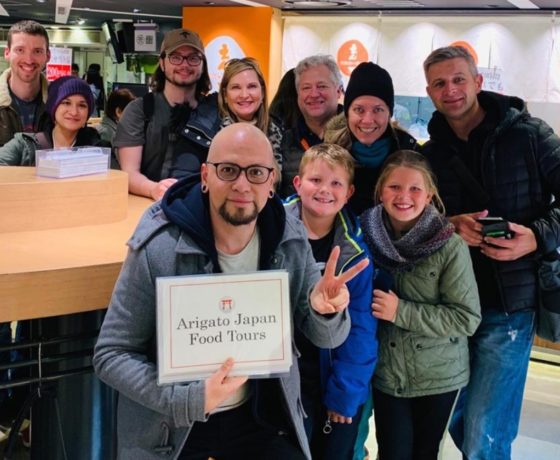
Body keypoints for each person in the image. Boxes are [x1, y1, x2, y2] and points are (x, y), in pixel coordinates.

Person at [93, 123, 368, 459]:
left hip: (259, 416)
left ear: (271, 183)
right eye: (227, 170)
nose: (242, 184)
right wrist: (187, 400)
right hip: (173, 425)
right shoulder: (159, 245)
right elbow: (111, 354)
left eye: (256, 173)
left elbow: (327, 337)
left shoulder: (289, 238)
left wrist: (326, 312)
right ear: (205, 176)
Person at [421, 45, 560, 460]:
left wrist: (537, 236)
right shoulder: (430, 154)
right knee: (458, 419)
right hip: (451, 306)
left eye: (459, 79)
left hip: (509, 306)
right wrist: (448, 225)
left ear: (478, 82)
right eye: (439, 83)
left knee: (486, 433)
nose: (450, 90)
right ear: (428, 91)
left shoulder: (529, 134)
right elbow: (414, 220)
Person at [360, 149, 481, 460]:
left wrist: (400, 312)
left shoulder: (449, 245)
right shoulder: (363, 236)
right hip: (388, 375)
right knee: (393, 452)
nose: (404, 196)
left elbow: (466, 318)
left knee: (424, 453)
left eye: (415, 188)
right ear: (381, 191)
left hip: (437, 377)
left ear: (429, 195)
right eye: (394, 187)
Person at [284, 143, 377, 460]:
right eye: (315, 180)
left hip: (330, 380)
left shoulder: (357, 254)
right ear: (298, 184)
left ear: (349, 193)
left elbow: (361, 331)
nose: (325, 190)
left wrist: (345, 394)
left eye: (336, 183)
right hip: (282, 380)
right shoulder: (268, 231)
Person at [113, 28, 219, 201]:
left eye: (193, 58)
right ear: (162, 63)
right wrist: (153, 189)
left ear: (202, 64)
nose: (184, 65)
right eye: (175, 57)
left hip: (201, 206)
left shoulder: (214, 111)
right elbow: (129, 173)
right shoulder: (139, 110)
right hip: (150, 206)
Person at [324, 62, 418, 216]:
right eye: (359, 110)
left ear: (389, 113)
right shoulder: (328, 155)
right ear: (347, 113)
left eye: (378, 109)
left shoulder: (411, 154)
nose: (367, 120)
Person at [0, 76, 104, 165]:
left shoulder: (99, 149)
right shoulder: (24, 145)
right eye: (66, 103)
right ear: (53, 107)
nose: (74, 112)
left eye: (82, 105)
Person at [279, 55, 343, 198]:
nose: (313, 94)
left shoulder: (355, 137)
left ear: (338, 91)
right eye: (306, 88)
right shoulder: (284, 141)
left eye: (321, 86)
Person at [218, 57, 283, 170]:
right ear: (225, 96)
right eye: (236, 87)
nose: (244, 95)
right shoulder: (213, 133)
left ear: (262, 93)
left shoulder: (280, 133)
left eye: (251, 86)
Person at [0, 20, 50, 147]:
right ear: (7, 53)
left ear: (48, 56)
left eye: (37, 51)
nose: (29, 60)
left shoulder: (59, 102)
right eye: (20, 50)